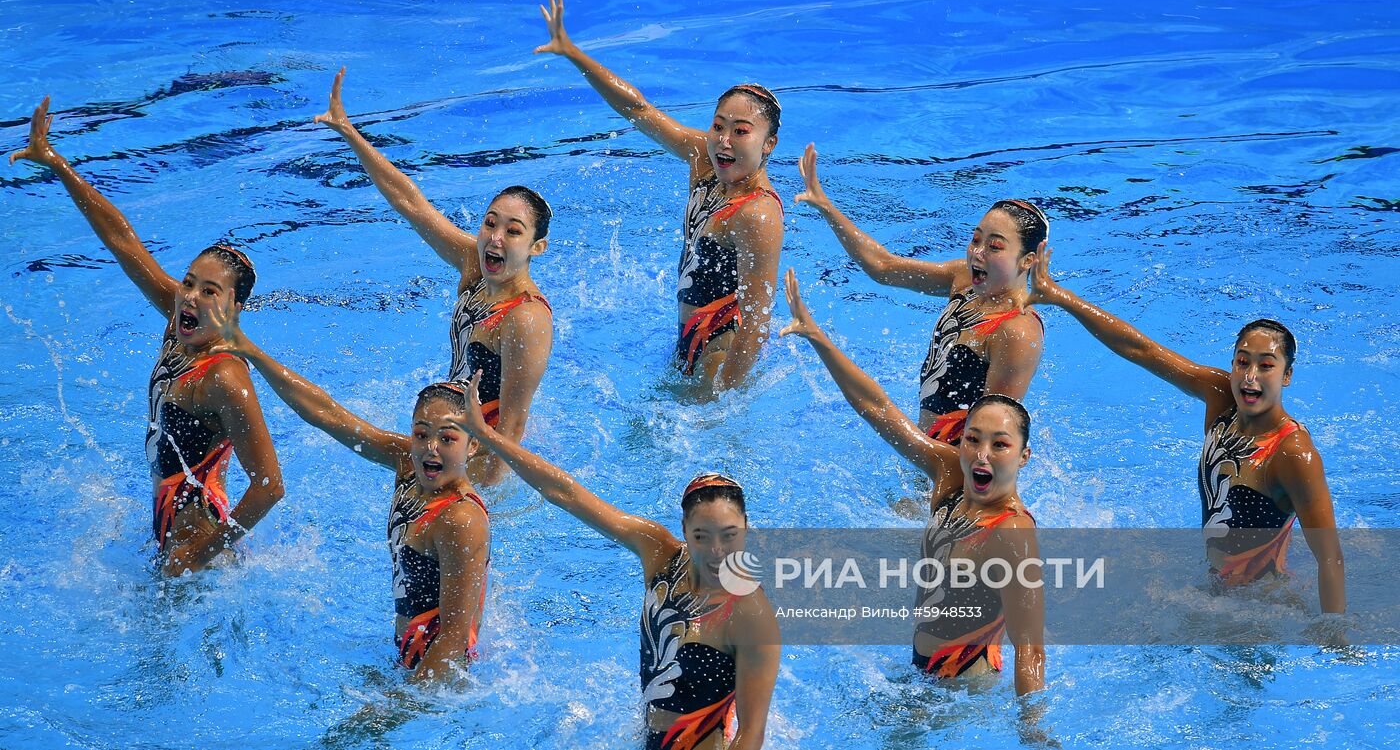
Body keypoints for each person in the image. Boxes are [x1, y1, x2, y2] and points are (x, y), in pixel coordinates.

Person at [9, 97, 285, 577]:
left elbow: (269, 485)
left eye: (210, 291)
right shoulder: (180, 322)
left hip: (194, 552)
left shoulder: (225, 376)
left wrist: (205, 551)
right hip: (168, 532)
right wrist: (58, 165)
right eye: (188, 282)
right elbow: (121, 239)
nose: (190, 297)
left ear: (235, 309)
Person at [449, 373, 780, 750]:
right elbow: (567, 492)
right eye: (702, 537)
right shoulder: (662, 555)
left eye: (730, 535)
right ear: (685, 530)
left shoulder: (751, 616)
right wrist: (487, 435)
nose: (717, 551)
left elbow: (751, 736)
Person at [1029, 243, 1345, 612]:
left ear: (1287, 375)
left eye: (1266, 365)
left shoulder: (1292, 454)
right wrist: (1059, 296)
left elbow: (1330, 556)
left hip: (1259, 609)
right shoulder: (1221, 398)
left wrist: (1334, 636)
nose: (1249, 376)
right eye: (1242, 362)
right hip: (1211, 590)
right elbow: (1141, 350)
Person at [780, 269, 1045, 694]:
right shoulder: (949, 474)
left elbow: (1030, 647)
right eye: (973, 439)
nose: (981, 454)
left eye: (999, 445)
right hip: (919, 676)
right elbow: (878, 407)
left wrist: (1032, 730)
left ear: (1023, 456)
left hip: (961, 691)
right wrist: (818, 338)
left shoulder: (1013, 531)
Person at [206, 302, 489, 680]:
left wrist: (402, 703)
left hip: (439, 677)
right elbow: (328, 415)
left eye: (447, 438)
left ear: (473, 445)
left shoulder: (461, 519)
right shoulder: (407, 464)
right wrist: (251, 352)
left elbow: (454, 639)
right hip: (410, 656)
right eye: (421, 433)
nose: (430, 448)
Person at [534, 0, 784, 394]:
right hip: (690, 337)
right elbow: (640, 111)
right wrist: (573, 54)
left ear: (767, 144)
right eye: (718, 125)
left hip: (721, 351)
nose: (723, 140)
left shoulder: (756, 213)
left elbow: (757, 322)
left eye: (741, 131)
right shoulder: (703, 160)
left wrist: (723, 399)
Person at [314, 68, 553, 485]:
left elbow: (511, 431)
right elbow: (412, 203)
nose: (495, 239)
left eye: (513, 231)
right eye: (490, 223)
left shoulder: (526, 318)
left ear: (536, 247)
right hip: (448, 430)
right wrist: (351, 135)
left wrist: (473, 496)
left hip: (478, 453)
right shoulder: (474, 263)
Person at [793, 144, 1046, 443]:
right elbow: (884, 267)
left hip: (962, 472)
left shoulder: (1016, 331)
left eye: (995, 247)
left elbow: (992, 439)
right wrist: (826, 207)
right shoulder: (963, 280)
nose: (977, 253)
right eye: (976, 240)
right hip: (929, 454)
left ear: (1028, 260)